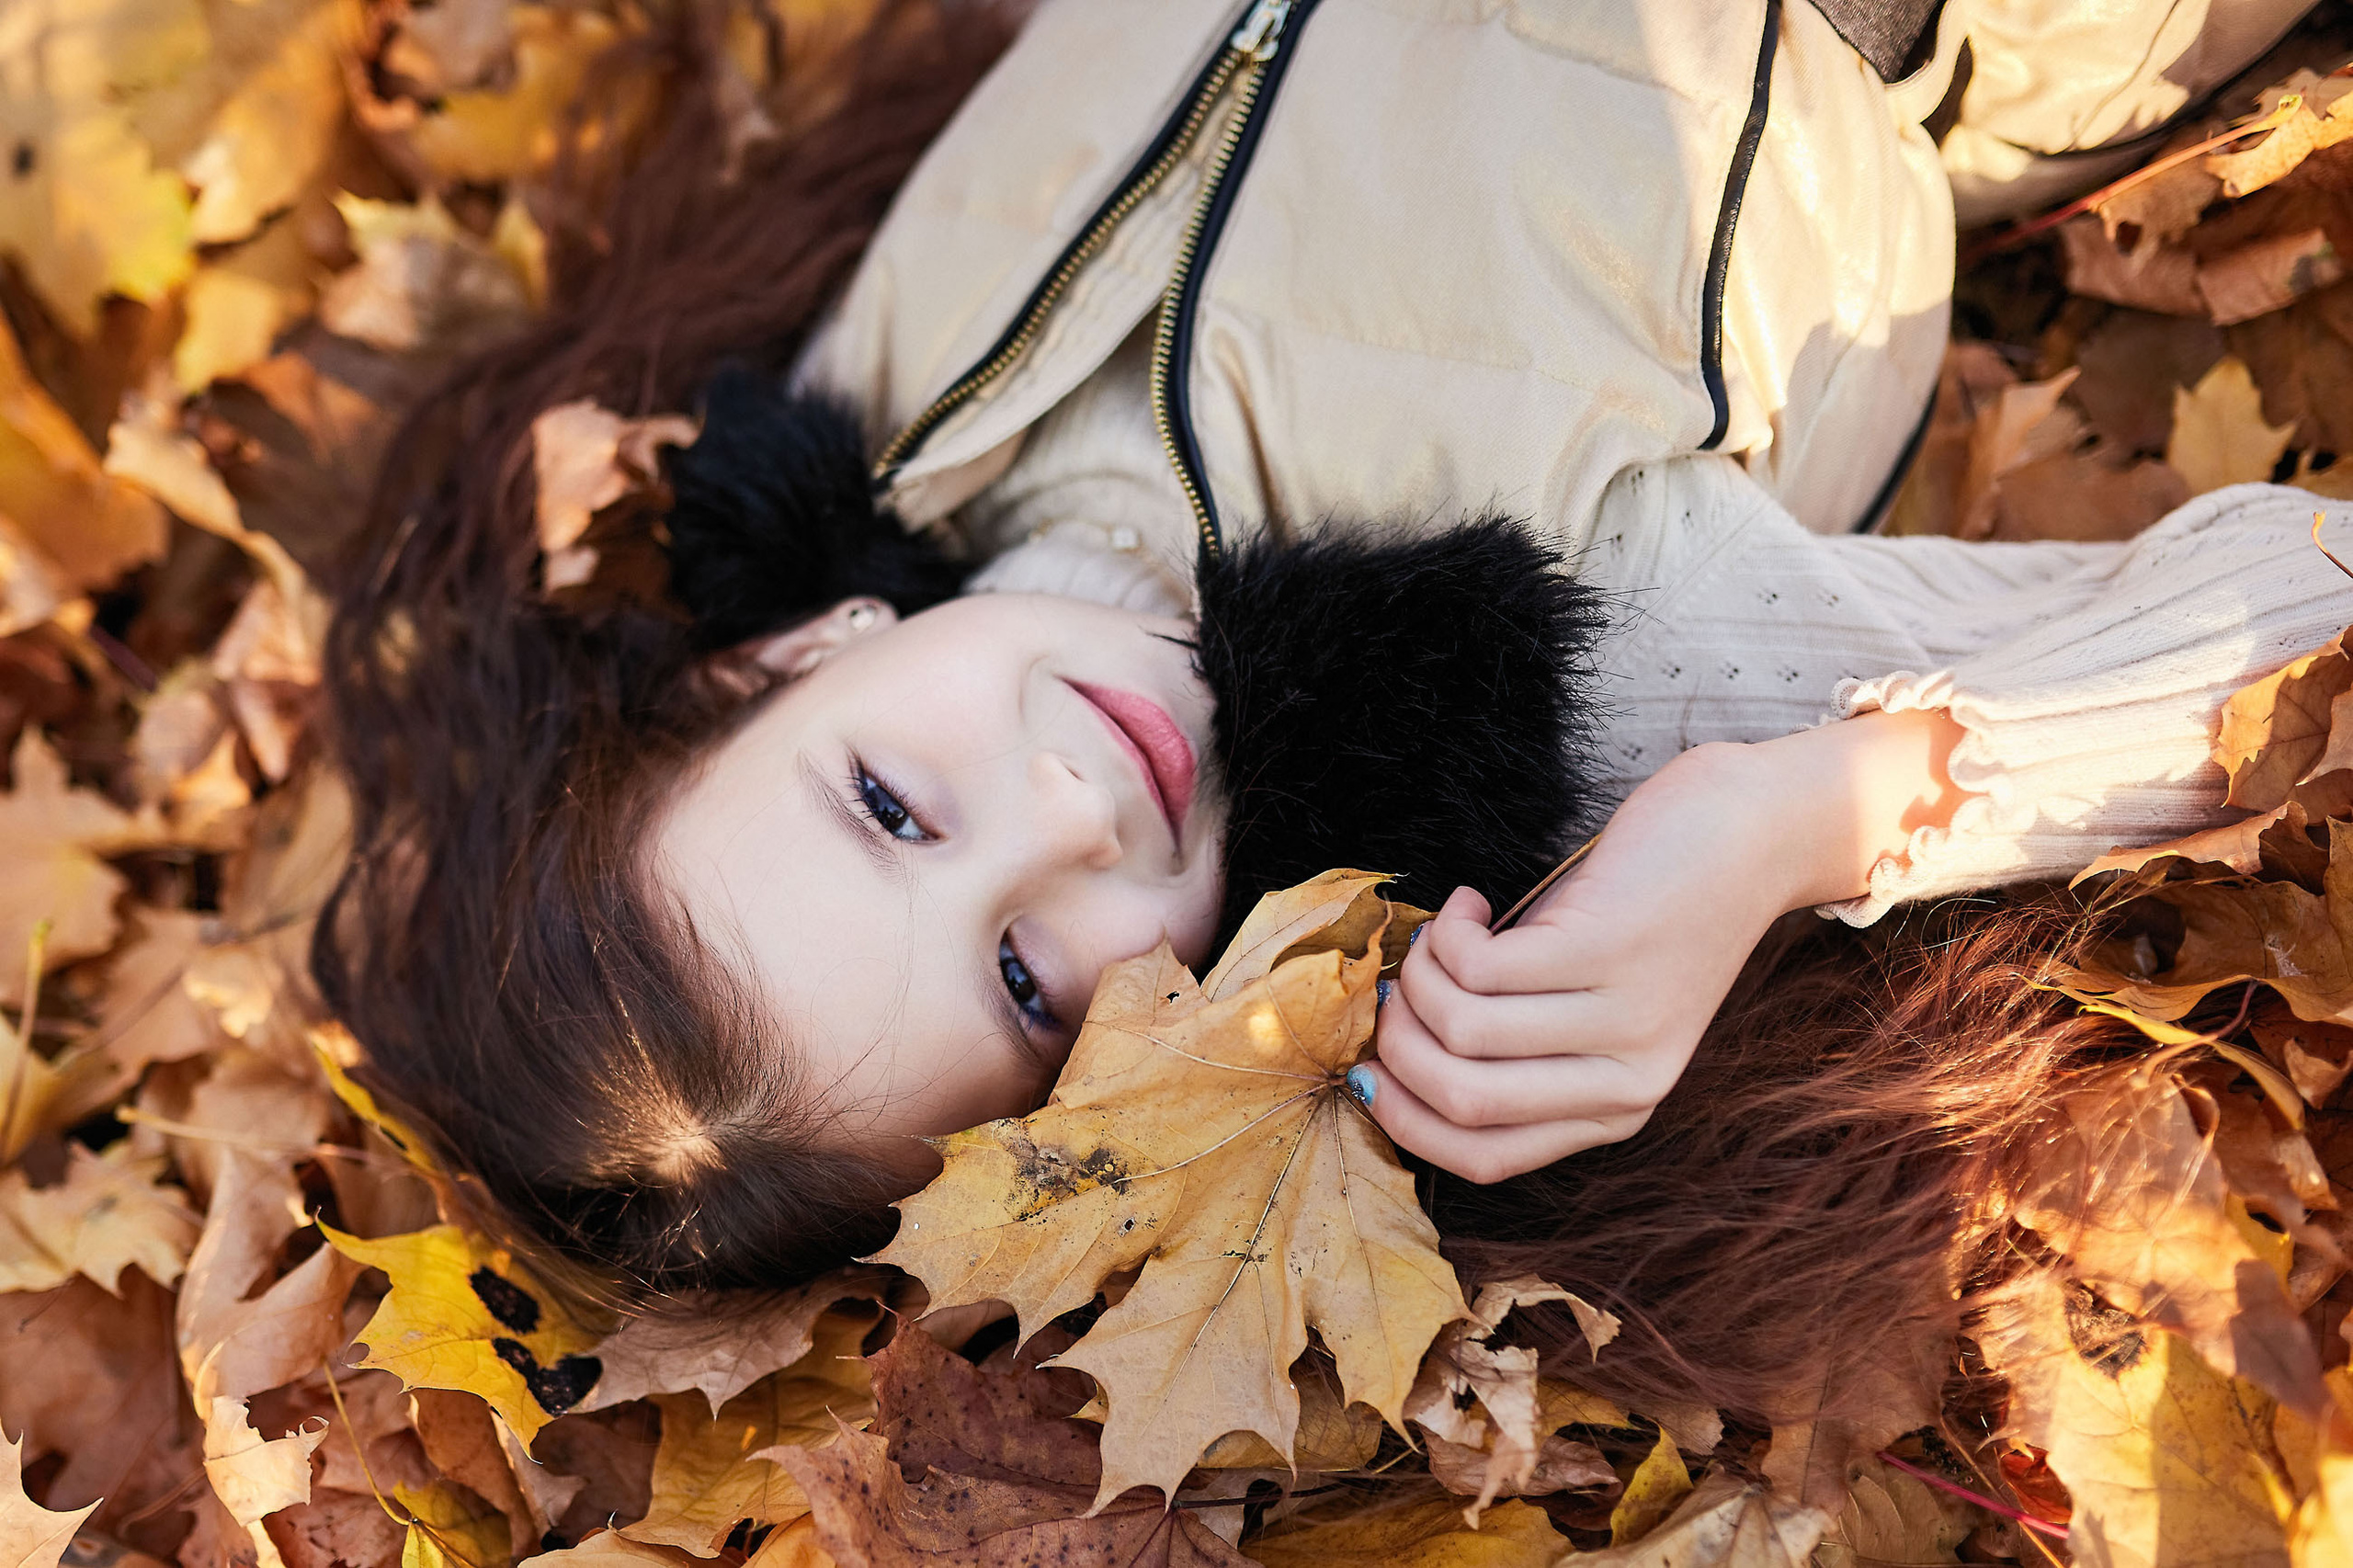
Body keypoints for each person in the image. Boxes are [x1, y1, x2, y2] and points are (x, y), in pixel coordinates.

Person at [316, 0, 2345, 1416]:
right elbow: (2296, 629)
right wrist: (1778, 824)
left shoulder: (880, 395)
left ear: (791, 651)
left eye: (892, 808)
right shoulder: (1536, 647)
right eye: (1027, 978)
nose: (1066, 817)